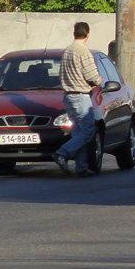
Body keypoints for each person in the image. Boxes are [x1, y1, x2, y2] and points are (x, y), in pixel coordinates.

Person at [53, 22, 102, 177]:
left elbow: (61, 74)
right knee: (88, 131)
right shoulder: (83, 52)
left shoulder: (67, 51)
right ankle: (62, 153)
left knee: (78, 132)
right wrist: (99, 80)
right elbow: (92, 76)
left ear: (74, 33)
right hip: (81, 96)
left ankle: (81, 168)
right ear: (87, 34)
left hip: (68, 96)